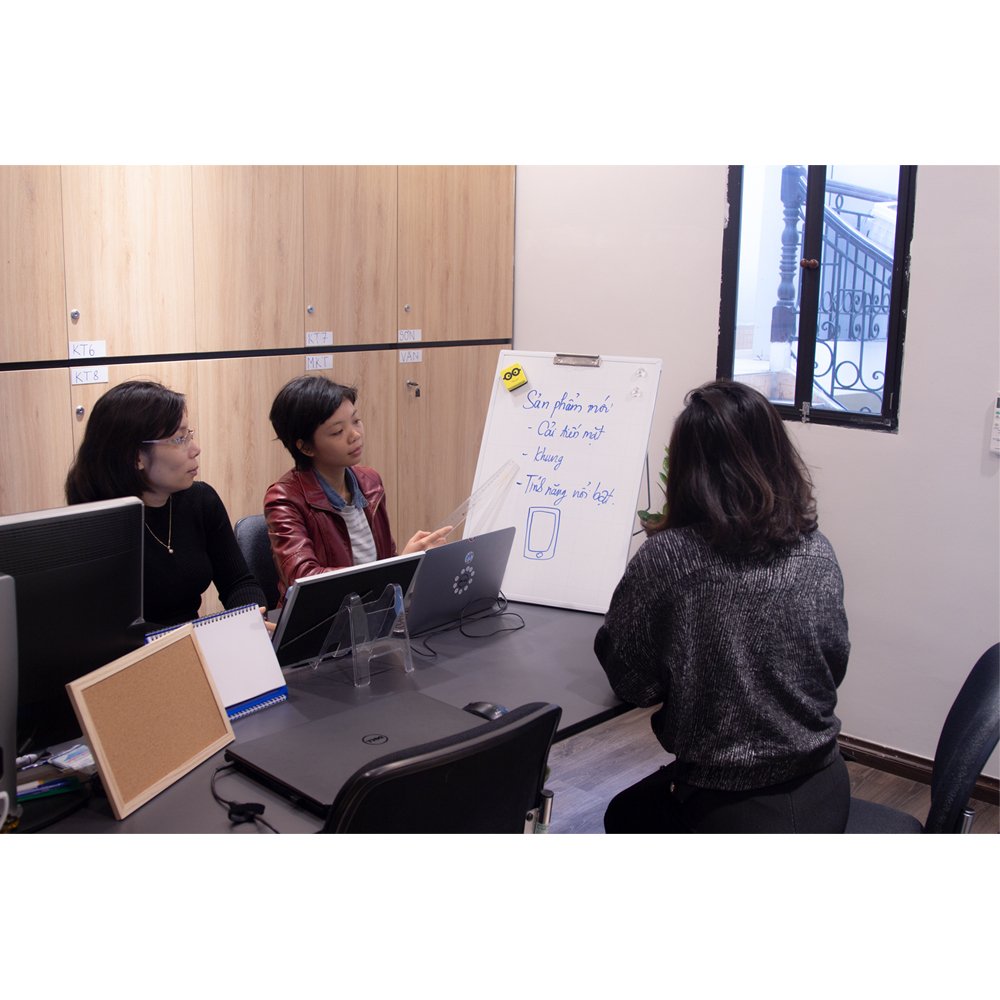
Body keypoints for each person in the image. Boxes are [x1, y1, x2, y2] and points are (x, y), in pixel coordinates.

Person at [596, 379, 850, 833]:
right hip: (825, 785)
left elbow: (633, 682)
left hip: (728, 803)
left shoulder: (670, 558)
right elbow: (834, 662)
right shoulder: (816, 550)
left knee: (624, 814)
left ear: (688, 469)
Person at [65, 380, 267, 628]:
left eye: (189, 435)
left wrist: (251, 617)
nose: (195, 449)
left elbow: (238, 582)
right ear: (136, 457)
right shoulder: (98, 528)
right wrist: (204, 636)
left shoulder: (201, 500)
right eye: (180, 439)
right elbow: (112, 630)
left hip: (194, 643)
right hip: (141, 650)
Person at [264, 375, 451, 600]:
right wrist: (399, 565)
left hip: (374, 611)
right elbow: (305, 581)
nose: (355, 435)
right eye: (337, 432)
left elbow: (384, 560)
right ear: (306, 448)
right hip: (323, 618)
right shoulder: (284, 499)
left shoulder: (370, 481)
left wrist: (408, 562)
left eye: (356, 420)